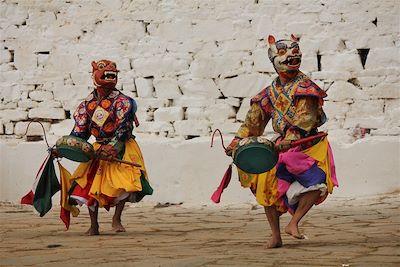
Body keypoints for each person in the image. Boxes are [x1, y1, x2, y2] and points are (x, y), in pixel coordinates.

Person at [225, 35, 338, 248]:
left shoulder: (306, 87)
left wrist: (291, 138)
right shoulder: (270, 92)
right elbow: (253, 121)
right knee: (265, 187)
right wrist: (237, 141)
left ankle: (293, 223)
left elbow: (305, 118)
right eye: (285, 52)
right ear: (274, 59)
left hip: (306, 146)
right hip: (280, 147)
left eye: (295, 50)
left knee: (316, 184)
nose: (292, 55)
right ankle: (275, 235)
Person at [66, 59, 153, 235]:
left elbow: (125, 127)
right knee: (90, 185)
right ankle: (94, 225)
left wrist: (113, 147)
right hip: (97, 149)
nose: (110, 73)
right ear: (94, 76)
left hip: (122, 145)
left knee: (122, 183)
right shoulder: (86, 105)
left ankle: (117, 218)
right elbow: (80, 132)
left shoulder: (123, 101)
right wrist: (64, 147)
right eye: (104, 70)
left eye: (113, 72)